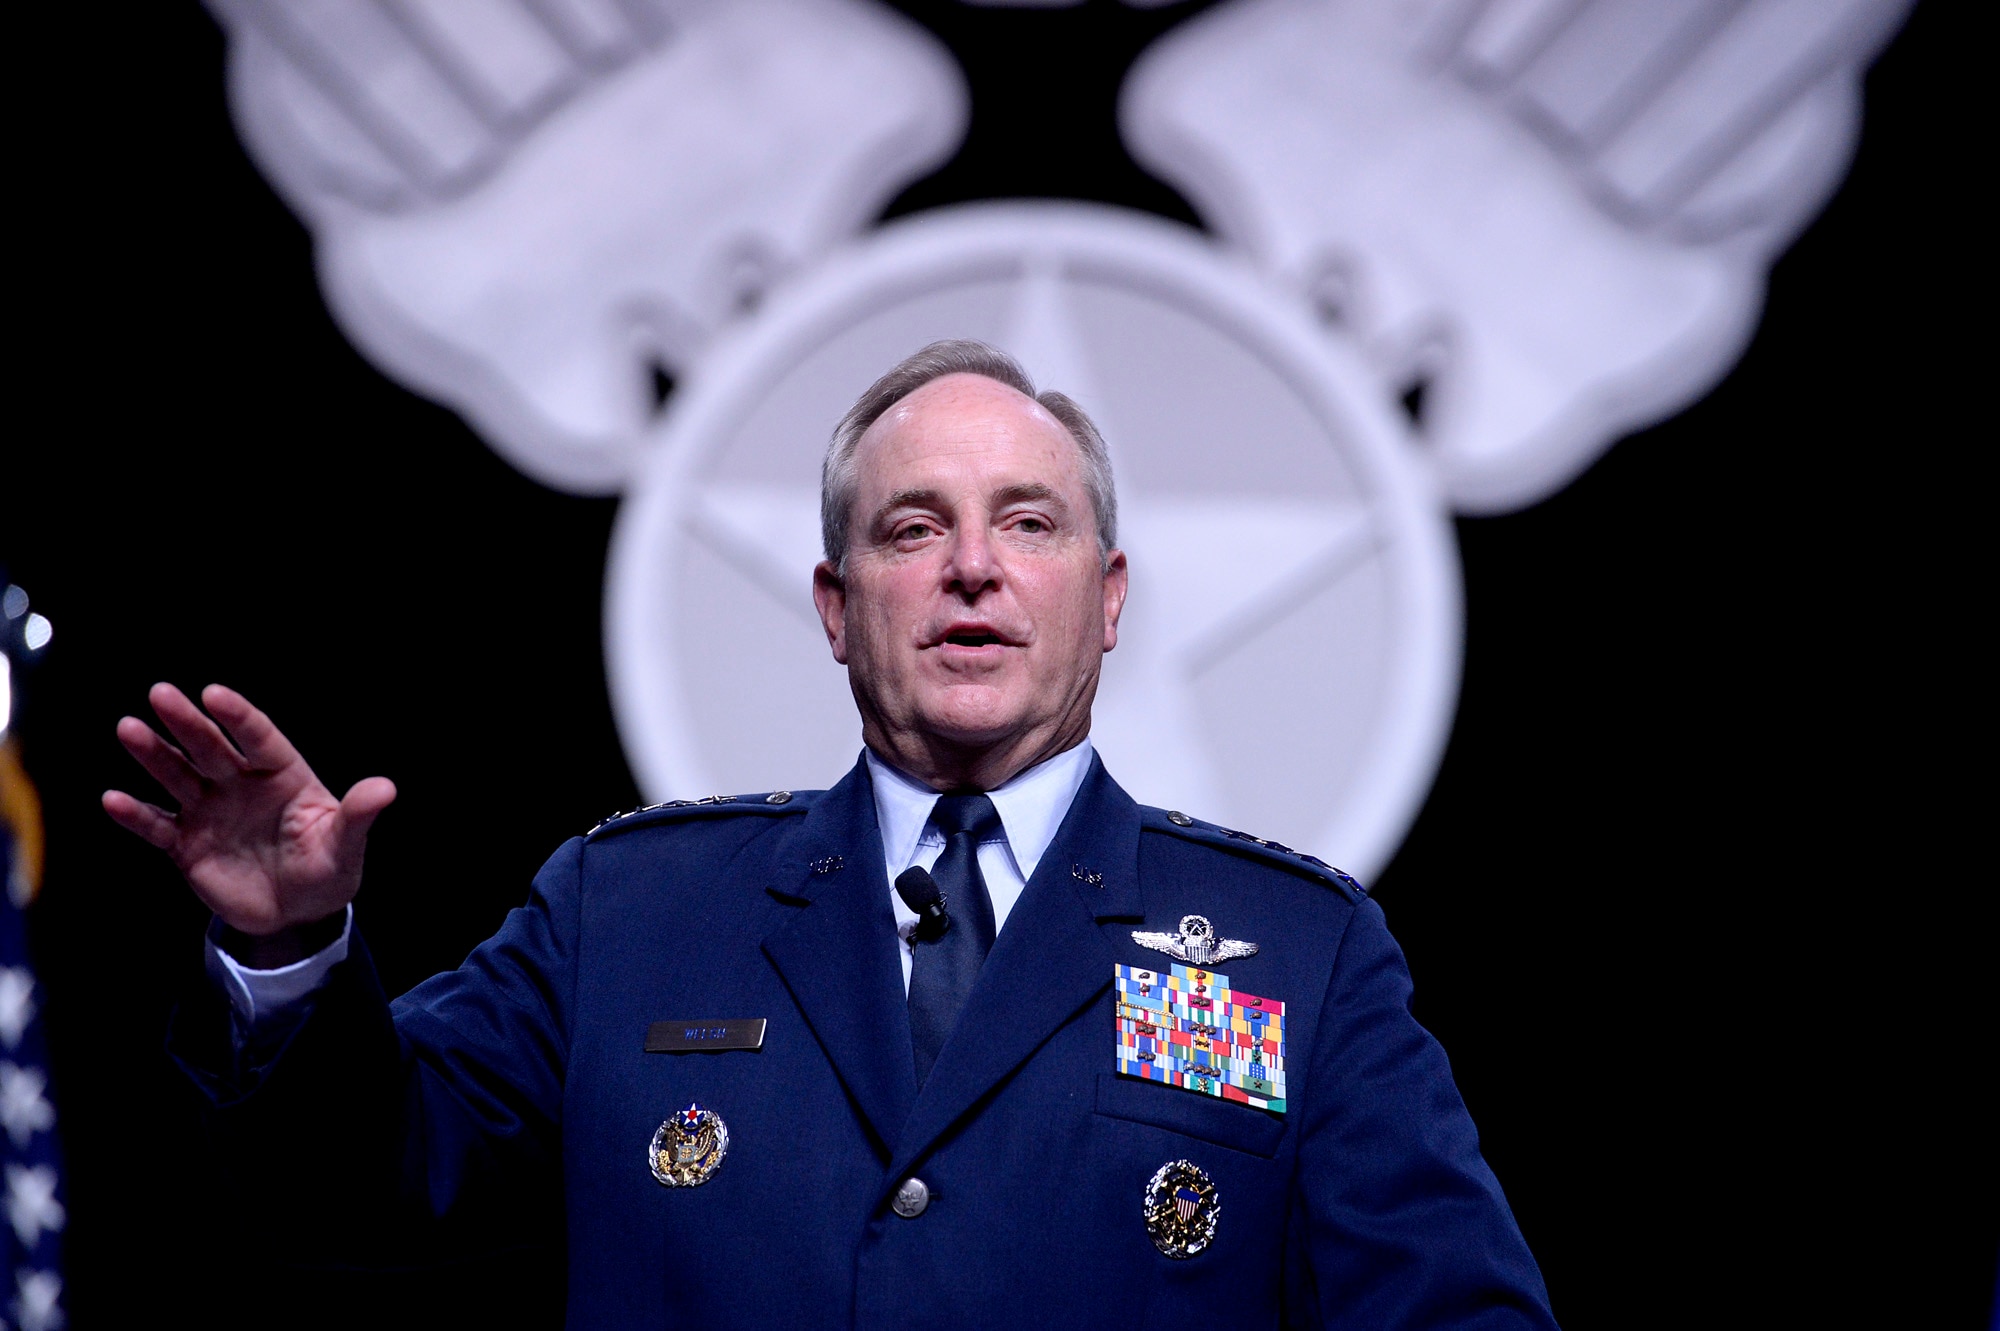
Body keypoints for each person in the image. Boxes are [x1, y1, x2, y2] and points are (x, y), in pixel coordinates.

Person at [105, 341, 1557, 1327]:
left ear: (1108, 601)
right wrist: (288, 948)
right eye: (915, 528)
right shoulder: (630, 914)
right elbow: (361, 1193)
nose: (974, 567)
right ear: (835, 604)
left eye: (1029, 524)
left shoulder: (1303, 956)